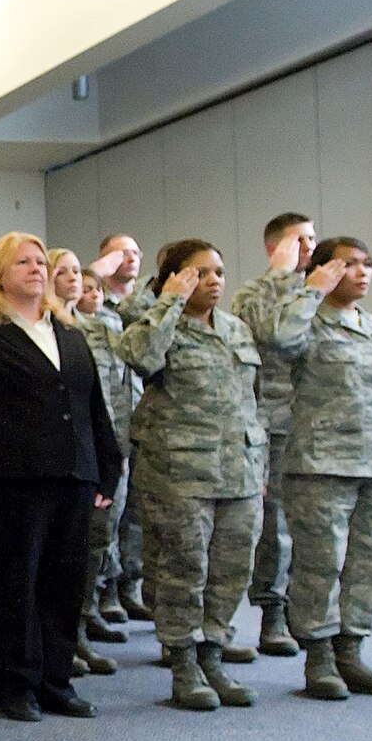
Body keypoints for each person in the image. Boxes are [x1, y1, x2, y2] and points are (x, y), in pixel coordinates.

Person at [0, 233, 121, 722]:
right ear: (0, 274)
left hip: (74, 477)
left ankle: (56, 681)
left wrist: (107, 469)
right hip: (11, 482)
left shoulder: (70, 333)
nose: (36, 269)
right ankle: (16, 686)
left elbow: (93, 410)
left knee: (65, 587)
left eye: (41, 261)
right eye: (24, 262)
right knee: (14, 588)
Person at [254, 238, 372, 699]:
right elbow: (280, 340)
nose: (362, 273)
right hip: (321, 464)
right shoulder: (305, 320)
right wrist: (311, 290)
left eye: (367, 264)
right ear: (323, 270)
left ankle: (352, 652)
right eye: (348, 265)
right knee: (321, 565)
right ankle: (319, 659)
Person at [117, 239, 266, 712]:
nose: (215, 280)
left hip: (238, 472)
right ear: (175, 279)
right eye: (201, 273)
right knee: (185, 570)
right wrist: (170, 301)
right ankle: (183, 665)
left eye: (219, 272)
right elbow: (139, 357)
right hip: (180, 473)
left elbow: (249, 401)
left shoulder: (236, 330)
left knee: (231, 570)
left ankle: (213, 655)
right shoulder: (158, 325)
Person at [229, 212, 320, 658]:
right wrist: (280, 275)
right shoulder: (255, 293)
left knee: (317, 531)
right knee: (275, 528)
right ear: (275, 248)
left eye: (313, 238)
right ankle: (273, 613)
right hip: (274, 424)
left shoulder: (318, 293)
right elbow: (270, 332)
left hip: (320, 428)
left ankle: (312, 615)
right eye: (299, 240)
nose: (309, 247)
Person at [47, 250, 119, 677]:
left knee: (94, 548)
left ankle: (80, 627)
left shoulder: (96, 328)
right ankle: (60, 638)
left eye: (78, 270)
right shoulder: (48, 331)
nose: (74, 278)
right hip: (64, 456)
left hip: (101, 450)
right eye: (63, 271)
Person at [80, 234, 153, 625]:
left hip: (140, 423)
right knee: (103, 521)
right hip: (105, 431)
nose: (131, 258)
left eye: (136, 252)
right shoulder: (90, 306)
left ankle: (130, 586)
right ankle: (101, 594)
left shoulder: (141, 306)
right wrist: (97, 270)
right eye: (121, 252)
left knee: (135, 516)